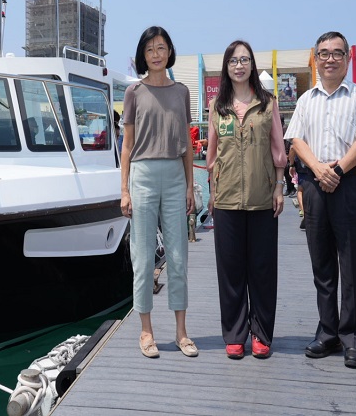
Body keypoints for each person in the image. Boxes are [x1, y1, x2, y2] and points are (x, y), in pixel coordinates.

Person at [285, 31, 356, 369]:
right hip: (315, 186)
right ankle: (328, 332)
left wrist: (336, 170)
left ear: (347, 59)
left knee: (353, 264)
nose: (330, 59)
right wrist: (317, 169)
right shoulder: (306, 99)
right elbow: (296, 138)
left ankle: (354, 337)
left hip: (349, 185)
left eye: (337, 53)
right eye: (323, 53)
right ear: (315, 58)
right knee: (322, 265)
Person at [205, 39, 286, 360]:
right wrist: (212, 191)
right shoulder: (218, 106)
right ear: (226, 67)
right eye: (233, 61)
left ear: (252, 65)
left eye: (245, 60)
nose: (239, 65)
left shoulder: (268, 103)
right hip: (225, 200)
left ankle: (262, 333)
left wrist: (279, 186)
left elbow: (279, 149)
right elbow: (211, 155)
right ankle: (235, 334)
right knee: (231, 270)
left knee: (263, 270)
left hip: (263, 197)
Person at [120, 26, 197, 359]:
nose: (155, 53)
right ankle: (146, 331)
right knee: (143, 257)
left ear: (169, 52)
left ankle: (182, 332)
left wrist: (191, 184)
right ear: (143, 54)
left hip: (175, 175)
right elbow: (127, 145)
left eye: (161, 47)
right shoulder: (134, 92)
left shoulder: (181, 92)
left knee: (179, 257)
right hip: (142, 175)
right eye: (149, 49)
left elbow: (188, 146)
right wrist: (124, 189)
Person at [288, 144, 307, 227]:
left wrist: (291, 165)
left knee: (300, 190)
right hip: (316, 165)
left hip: (302, 165)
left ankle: (304, 214)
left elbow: (292, 148)